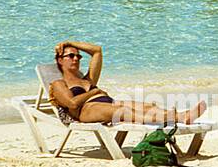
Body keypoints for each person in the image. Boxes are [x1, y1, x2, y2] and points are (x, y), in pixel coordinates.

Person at [48, 41, 205, 126]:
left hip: (109, 102)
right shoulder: (58, 84)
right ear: (60, 60)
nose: (76, 59)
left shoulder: (86, 80)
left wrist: (69, 42)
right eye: (70, 56)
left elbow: (97, 51)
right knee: (123, 111)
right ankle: (179, 117)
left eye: (78, 56)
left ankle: (181, 116)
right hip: (86, 111)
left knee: (149, 106)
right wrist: (94, 92)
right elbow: (72, 103)